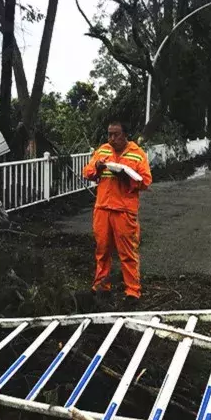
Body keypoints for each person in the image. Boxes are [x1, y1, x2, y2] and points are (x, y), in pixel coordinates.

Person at [82, 121, 153, 305]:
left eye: (116, 134)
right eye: (109, 134)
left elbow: (145, 181)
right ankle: (101, 286)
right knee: (102, 249)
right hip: (103, 208)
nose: (112, 138)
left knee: (127, 252)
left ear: (125, 135)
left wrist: (127, 177)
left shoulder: (137, 154)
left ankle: (132, 291)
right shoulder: (103, 150)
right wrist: (96, 167)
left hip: (124, 210)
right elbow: (87, 172)